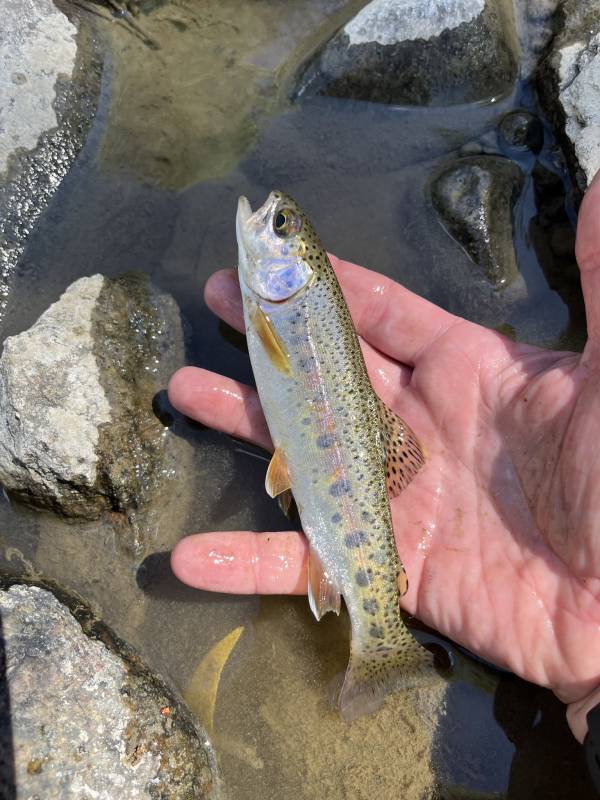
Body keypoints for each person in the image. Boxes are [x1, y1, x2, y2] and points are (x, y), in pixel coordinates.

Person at [167, 173, 600, 751]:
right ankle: (379, 638)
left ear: (297, 273)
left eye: (280, 226)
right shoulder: (283, 300)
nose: (271, 219)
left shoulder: (286, 305)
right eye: (282, 223)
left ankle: (379, 640)